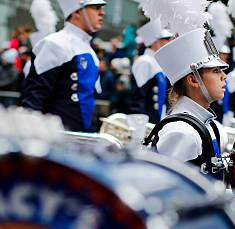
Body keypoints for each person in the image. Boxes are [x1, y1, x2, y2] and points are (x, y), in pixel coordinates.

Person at [143, 27, 235, 210]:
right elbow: (166, 199)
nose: (224, 76)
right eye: (216, 70)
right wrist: (225, 207)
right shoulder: (182, 132)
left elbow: (201, 185)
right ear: (193, 80)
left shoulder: (205, 124)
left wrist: (228, 199)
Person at [20, 0, 107, 132]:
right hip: (57, 139)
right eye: (96, 8)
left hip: (82, 140)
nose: (102, 12)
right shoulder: (55, 43)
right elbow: (34, 98)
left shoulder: (89, 50)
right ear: (77, 11)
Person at [128, 19, 173, 124]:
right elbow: (138, 97)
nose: (169, 42)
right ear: (154, 42)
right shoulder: (144, 61)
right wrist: (140, 125)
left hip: (157, 119)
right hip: (146, 121)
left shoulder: (158, 62)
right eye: (166, 39)